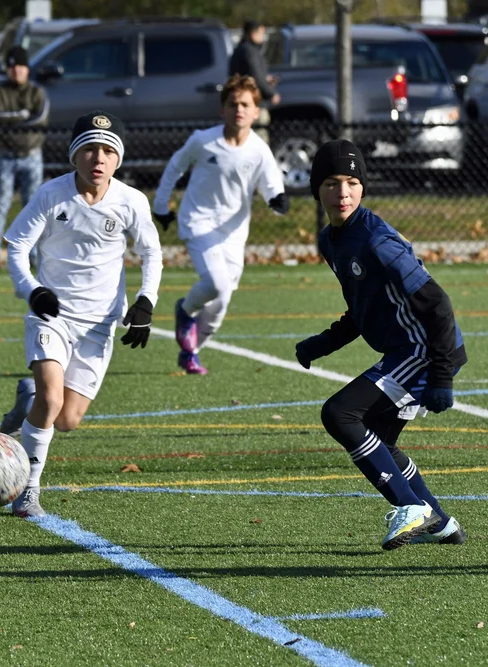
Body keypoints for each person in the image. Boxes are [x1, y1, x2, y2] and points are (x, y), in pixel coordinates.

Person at [296, 138, 468, 550]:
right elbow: (363, 307)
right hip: (407, 350)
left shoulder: (376, 240)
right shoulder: (331, 240)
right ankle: (441, 524)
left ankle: (411, 507)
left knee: (340, 413)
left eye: (352, 183)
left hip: (424, 350)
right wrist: (323, 343)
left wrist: (442, 375)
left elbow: (437, 304)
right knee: (381, 441)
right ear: (316, 189)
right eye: (332, 183)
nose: (343, 192)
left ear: (363, 188)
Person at [0, 111, 163, 518]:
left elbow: (152, 253)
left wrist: (146, 302)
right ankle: (28, 491)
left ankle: (27, 399)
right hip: (52, 315)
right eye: (89, 149)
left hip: (99, 324)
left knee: (67, 419)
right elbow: (17, 247)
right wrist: (33, 291)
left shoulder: (131, 201)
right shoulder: (50, 194)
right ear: (74, 155)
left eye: (108, 150)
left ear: (118, 159)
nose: (98, 158)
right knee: (52, 398)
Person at [152, 74, 287, 375]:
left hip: (234, 233)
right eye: (233, 104)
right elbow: (175, 166)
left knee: (222, 301)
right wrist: (160, 206)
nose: (239, 109)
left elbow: (271, 182)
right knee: (216, 283)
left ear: (256, 112)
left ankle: (191, 354)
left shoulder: (258, 149)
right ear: (222, 110)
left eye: (245, 105)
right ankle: (185, 310)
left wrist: (276, 198)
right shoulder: (203, 140)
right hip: (198, 222)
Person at [0, 45, 49, 268]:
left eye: (20, 66)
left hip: (32, 156)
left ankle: (33, 257)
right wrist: (22, 116)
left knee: (33, 208)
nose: (16, 70)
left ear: (27, 68)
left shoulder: (37, 92)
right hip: (5, 157)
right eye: (12, 67)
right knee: (0, 206)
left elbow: (40, 118)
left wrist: (14, 121)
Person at [229, 20, 279, 142]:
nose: (263, 37)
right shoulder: (250, 52)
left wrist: (266, 79)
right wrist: (271, 93)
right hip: (254, 103)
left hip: (245, 101)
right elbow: (255, 77)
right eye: (261, 33)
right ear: (253, 34)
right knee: (259, 138)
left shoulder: (241, 50)